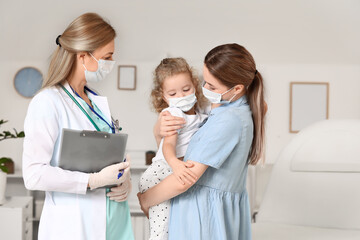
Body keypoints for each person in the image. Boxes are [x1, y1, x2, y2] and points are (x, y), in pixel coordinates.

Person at [22, 13, 134, 240]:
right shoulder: (48, 101)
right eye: (107, 57)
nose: (110, 63)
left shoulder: (95, 101)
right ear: (83, 56)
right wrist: (92, 181)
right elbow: (33, 174)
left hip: (114, 218)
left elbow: (103, 158)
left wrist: (124, 182)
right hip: (75, 224)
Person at [138, 43, 266, 240]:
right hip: (202, 208)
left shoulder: (227, 119)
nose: (204, 89)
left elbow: (185, 178)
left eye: (212, 86)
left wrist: (146, 200)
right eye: (204, 82)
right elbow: (176, 152)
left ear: (237, 88)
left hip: (201, 214)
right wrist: (158, 134)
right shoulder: (232, 110)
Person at [139, 58, 208, 240]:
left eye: (186, 90)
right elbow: (168, 145)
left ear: (194, 85)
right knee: (160, 233)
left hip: (170, 171)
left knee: (172, 230)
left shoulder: (200, 113)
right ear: (163, 96)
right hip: (161, 172)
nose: (181, 96)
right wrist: (176, 165)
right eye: (173, 93)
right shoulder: (174, 114)